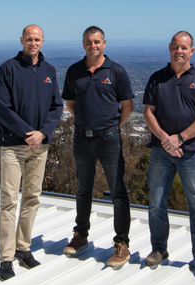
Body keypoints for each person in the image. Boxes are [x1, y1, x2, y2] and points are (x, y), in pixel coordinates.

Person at [142, 31, 195, 278]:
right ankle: (159, 250)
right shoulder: (156, 79)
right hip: (160, 151)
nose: (179, 51)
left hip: (191, 152)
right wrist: (165, 139)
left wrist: (180, 138)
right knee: (156, 203)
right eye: (175, 47)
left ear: (192, 51)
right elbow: (148, 113)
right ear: (169, 48)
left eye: (184, 47)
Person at [0, 24, 63, 281]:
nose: (33, 43)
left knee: (32, 198)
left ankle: (23, 248)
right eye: (29, 39)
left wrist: (42, 134)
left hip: (39, 146)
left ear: (43, 41)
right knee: (9, 200)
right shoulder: (7, 69)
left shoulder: (49, 71)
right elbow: (2, 108)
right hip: (13, 145)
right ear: (21, 40)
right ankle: (6, 258)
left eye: (37, 39)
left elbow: (57, 106)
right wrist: (27, 133)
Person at [61, 26, 134, 269]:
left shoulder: (117, 71)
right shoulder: (74, 71)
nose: (92, 46)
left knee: (117, 191)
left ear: (104, 43)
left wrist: (111, 128)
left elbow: (128, 107)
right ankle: (81, 235)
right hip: (82, 138)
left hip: (109, 140)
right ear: (83, 44)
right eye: (88, 42)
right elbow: (70, 103)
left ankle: (122, 244)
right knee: (83, 188)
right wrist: (85, 123)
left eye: (96, 42)